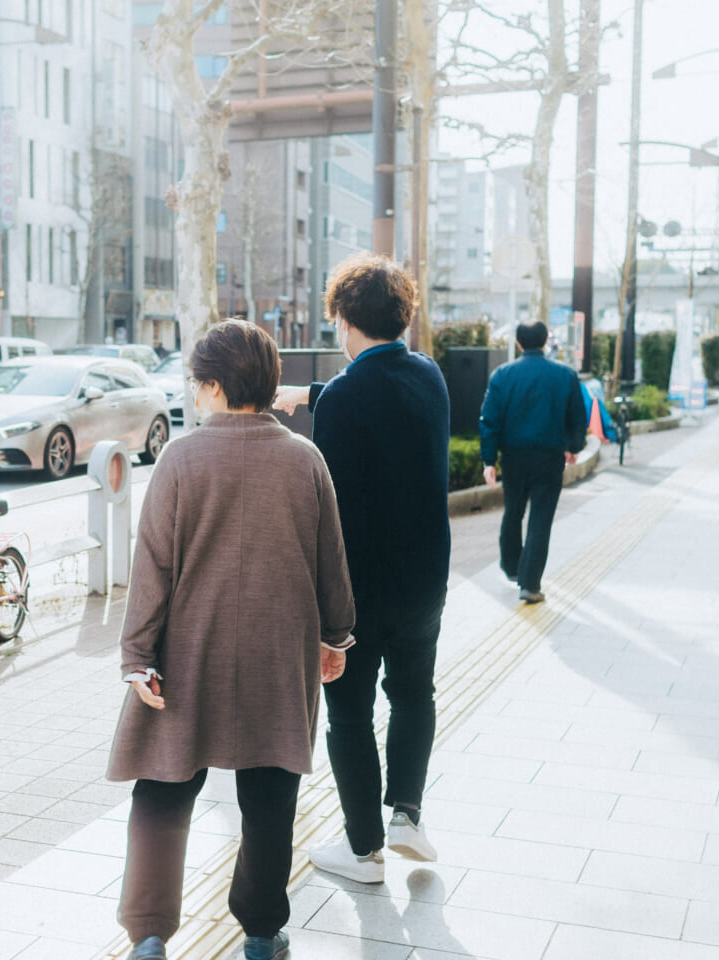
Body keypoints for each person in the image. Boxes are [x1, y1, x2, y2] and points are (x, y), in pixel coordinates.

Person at [108, 319, 356, 960]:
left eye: (197, 383)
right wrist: (335, 637)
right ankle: (262, 932)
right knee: (270, 796)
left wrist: (138, 656)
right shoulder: (305, 460)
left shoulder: (180, 459)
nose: (194, 394)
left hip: (187, 654)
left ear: (215, 386)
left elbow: (152, 567)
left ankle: (149, 933)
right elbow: (331, 563)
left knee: (163, 787)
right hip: (280, 653)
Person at [272, 253, 451, 884]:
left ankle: (363, 849)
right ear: (403, 316)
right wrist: (311, 394)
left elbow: (330, 506)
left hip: (359, 590)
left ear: (344, 320)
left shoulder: (346, 396)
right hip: (424, 582)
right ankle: (406, 815)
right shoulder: (430, 377)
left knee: (349, 712)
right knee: (413, 694)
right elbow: (383, 400)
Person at [478, 321, 588, 604]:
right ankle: (530, 583)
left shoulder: (502, 375)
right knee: (541, 517)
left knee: (513, 511)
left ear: (518, 343)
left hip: (513, 457)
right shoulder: (565, 374)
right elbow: (578, 415)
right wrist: (574, 447)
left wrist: (489, 459)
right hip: (549, 457)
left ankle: (512, 566)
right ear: (546, 340)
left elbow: (489, 420)